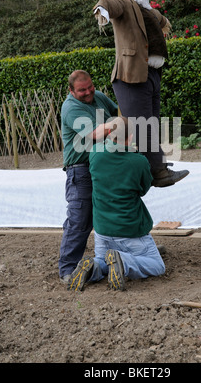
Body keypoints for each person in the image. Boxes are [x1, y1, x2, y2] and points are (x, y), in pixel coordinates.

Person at [93, 0, 189, 188]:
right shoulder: (122, 1)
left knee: (150, 123)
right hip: (131, 75)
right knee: (142, 125)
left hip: (151, 74)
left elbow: (158, 20)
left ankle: (156, 165)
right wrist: (102, 10)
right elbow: (108, 3)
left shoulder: (144, 7)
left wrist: (163, 21)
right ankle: (158, 173)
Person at [67, 116, 165, 292]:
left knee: (103, 261)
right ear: (132, 136)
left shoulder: (95, 153)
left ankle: (93, 268)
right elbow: (143, 189)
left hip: (102, 230)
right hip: (130, 229)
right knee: (157, 266)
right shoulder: (139, 161)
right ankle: (123, 260)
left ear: (110, 133)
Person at [59, 70, 118, 284]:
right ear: (71, 91)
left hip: (103, 162)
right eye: (82, 90)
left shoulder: (99, 96)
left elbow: (118, 112)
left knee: (113, 209)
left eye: (90, 87)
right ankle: (67, 269)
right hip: (80, 168)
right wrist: (119, 125)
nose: (88, 92)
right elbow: (95, 134)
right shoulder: (71, 108)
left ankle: (131, 254)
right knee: (80, 218)